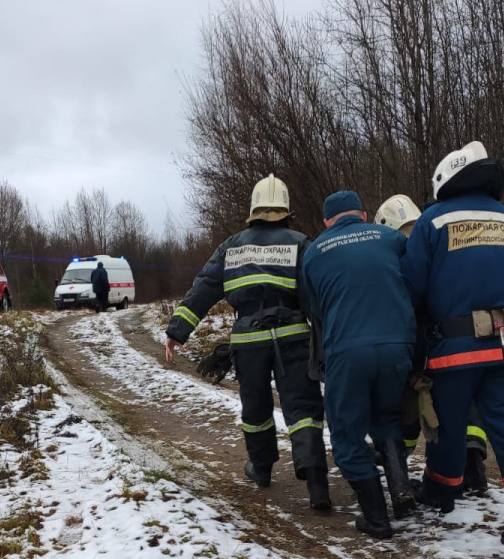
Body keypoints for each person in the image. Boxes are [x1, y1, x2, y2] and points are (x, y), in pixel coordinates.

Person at [401, 141, 504, 550]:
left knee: (447, 423)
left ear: (446, 179)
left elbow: (412, 285)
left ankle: (441, 490)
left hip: (455, 346)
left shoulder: (434, 220)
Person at [165, 174, 330, 509]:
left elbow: (204, 288)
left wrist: (176, 331)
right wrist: (329, 335)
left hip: (249, 337)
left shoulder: (232, 245)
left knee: (256, 408)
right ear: (286, 209)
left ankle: (262, 468)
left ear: (253, 209)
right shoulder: (300, 242)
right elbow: (317, 295)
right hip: (292, 332)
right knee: (303, 407)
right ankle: (316, 483)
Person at [302, 190, 416, 538]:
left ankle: (376, 518)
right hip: (399, 345)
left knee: (347, 433)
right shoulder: (393, 238)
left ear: (326, 222)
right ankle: (400, 489)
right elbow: (413, 283)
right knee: (387, 417)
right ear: (364, 215)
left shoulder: (314, 253)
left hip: (348, 350)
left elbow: (314, 311)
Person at [375, 194, 490, 495]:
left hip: (414, 342)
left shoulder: (394, 252)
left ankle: (398, 460)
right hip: (452, 338)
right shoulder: (436, 240)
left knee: (408, 403)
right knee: (463, 403)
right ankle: (473, 463)